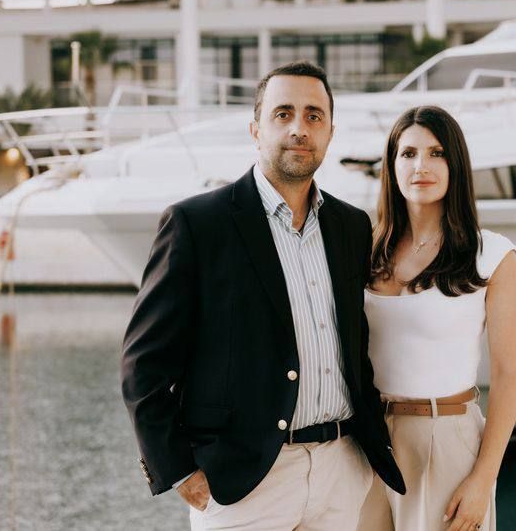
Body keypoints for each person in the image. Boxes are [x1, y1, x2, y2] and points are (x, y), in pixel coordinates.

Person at [120, 61, 404, 530]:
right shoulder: (197, 225)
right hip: (244, 484)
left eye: (314, 116)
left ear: (330, 133)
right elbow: (142, 366)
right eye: (283, 113)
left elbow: (355, 349)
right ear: (256, 130)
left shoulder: (352, 227)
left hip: (340, 470)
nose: (299, 128)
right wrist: (178, 469)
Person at [359, 105, 516, 531]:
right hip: (365, 444)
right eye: (408, 153)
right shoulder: (364, 251)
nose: (421, 166)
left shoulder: (492, 255)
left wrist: (483, 480)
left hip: (445, 438)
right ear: (391, 165)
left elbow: (508, 377)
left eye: (436, 153)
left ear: (456, 165)